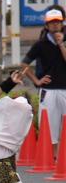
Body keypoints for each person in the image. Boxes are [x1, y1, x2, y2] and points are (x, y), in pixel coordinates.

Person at [21, 8, 66, 153]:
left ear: (62, 24)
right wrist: (37, 81)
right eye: (51, 23)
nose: (54, 25)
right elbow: (24, 64)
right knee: (49, 126)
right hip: (48, 90)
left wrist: (61, 44)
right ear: (46, 26)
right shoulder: (40, 44)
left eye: (57, 22)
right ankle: (52, 157)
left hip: (65, 88)